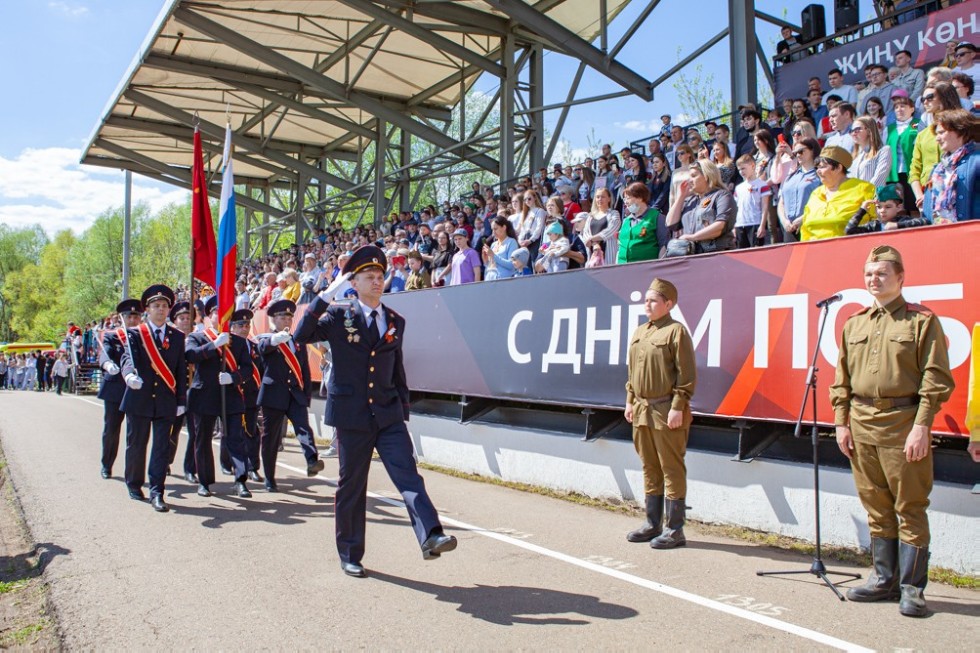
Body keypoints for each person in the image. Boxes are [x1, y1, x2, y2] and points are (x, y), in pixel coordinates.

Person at [294, 245, 457, 578]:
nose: (377, 281)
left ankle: (431, 534)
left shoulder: (395, 321)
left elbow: (396, 369)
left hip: (387, 414)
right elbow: (301, 334)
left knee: (408, 475)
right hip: (352, 416)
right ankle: (350, 553)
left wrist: (403, 409)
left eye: (381, 276)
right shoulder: (340, 315)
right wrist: (326, 295)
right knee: (352, 485)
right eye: (369, 277)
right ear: (353, 283)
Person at [830, 245, 955, 618]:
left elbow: (936, 378)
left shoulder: (921, 322)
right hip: (861, 423)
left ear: (901, 278)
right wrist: (840, 422)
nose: (874, 280)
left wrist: (922, 426)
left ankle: (912, 588)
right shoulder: (854, 324)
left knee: (910, 507)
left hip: (904, 424)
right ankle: (883, 579)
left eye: (882, 274)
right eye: (869, 274)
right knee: (876, 507)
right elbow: (842, 380)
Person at [624, 278, 696, 549]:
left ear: (669, 304)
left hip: (666, 409)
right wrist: (630, 401)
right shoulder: (641, 331)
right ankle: (652, 522)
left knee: (671, 467)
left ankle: (675, 529)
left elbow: (686, 375)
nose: (647, 304)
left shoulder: (676, 332)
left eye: (654, 300)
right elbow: (632, 373)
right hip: (641, 409)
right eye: (646, 299)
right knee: (649, 466)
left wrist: (678, 407)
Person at [120, 285, 188, 513]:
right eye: (156, 306)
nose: (161, 309)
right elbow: (128, 358)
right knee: (137, 445)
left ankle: (157, 491)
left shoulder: (177, 336)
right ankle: (134, 484)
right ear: (147, 309)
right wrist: (128, 375)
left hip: (165, 400)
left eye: (164, 306)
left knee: (161, 448)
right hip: (139, 398)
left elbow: (180, 370)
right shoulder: (135, 334)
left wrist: (181, 401)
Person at [185, 296, 255, 498]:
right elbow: (190, 356)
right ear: (209, 316)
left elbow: (248, 369)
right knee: (203, 440)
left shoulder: (239, 342)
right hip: (204, 394)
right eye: (217, 312)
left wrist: (233, 378)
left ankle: (240, 480)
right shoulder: (197, 336)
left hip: (231, 394)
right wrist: (214, 345)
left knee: (235, 438)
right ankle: (204, 482)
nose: (222, 316)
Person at [256, 299, 324, 491]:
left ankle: (312, 460)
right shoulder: (267, 339)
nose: (287, 320)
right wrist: (275, 340)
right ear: (273, 320)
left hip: (295, 394)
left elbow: (304, 371)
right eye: (282, 316)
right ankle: (270, 477)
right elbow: (262, 349)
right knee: (271, 438)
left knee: (304, 428)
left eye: (289, 317)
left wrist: (306, 396)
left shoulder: (298, 342)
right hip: (273, 395)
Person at [98, 299, 143, 479]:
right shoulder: (113, 336)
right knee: (111, 430)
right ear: (121, 318)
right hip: (115, 388)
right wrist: (107, 364)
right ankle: (107, 464)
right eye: (128, 316)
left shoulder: (143, 337)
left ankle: (131, 472)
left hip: (136, 390)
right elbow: (104, 353)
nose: (132, 320)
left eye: (136, 316)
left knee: (135, 433)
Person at [800, 146, 877, 241]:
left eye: (822, 167)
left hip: (850, 248)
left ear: (838, 168)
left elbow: (878, 222)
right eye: (817, 167)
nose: (818, 171)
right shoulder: (815, 194)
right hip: (813, 251)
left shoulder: (864, 188)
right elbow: (805, 230)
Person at [909, 81, 962, 216]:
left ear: (944, 97)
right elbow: (914, 170)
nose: (925, 102)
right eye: (923, 99)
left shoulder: (962, 127)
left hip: (957, 192)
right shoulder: (922, 135)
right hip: (927, 197)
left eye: (930, 97)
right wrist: (919, 196)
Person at [665, 159, 737, 253]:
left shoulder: (722, 195)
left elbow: (720, 226)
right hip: (692, 256)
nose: (689, 180)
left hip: (716, 254)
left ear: (707, 176)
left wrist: (693, 237)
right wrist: (680, 197)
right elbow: (670, 224)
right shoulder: (690, 201)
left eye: (693, 176)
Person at [229, 308, 266, 478]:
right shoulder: (227, 347)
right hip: (233, 393)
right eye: (240, 325)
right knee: (233, 433)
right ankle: (229, 462)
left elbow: (261, 370)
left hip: (251, 395)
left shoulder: (254, 347)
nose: (245, 328)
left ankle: (252, 467)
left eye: (247, 324)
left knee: (251, 431)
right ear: (232, 327)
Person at [166, 301, 199, 483]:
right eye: (182, 318)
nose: (186, 321)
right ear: (175, 321)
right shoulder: (170, 340)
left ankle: (190, 469)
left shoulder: (199, 338)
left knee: (195, 432)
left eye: (189, 318)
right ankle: (166, 461)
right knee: (172, 430)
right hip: (176, 392)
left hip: (195, 392)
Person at [926, 108, 978, 222]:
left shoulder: (977, 161)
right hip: (941, 235)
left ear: (960, 130)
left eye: (941, 132)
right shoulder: (938, 169)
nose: (937, 138)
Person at [885, 90, 923, 216]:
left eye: (903, 106)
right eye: (896, 107)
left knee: (913, 206)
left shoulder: (917, 124)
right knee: (897, 208)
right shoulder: (889, 129)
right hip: (894, 173)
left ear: (912, 109)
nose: (899, 109)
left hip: (911, 171)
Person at [778, 138, 822, 241]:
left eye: (801, 151)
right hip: (789, 228)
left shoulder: (820, 175)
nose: (798, 155)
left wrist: (803, 218)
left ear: (812, 150)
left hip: (811, 225)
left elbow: (824, 200)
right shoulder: (790, 177)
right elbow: (781, 202)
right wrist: (784, 221)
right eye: (795, 152)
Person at [845, 184, 930, 234]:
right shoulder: (874, 226)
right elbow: (849, 230)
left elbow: (925, 221)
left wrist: (898, 225)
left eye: (888, 207)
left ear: (898, 207)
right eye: (879, 207)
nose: (882, 210)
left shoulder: (903, 220)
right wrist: (862, 210)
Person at [617, 182, 661, 263]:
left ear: (640, 198)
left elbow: (664, 245)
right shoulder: (626, 221)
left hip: (646, 269)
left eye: (628, 198)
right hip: (623, 268)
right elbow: (620, 246)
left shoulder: (657, 217)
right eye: (624, 199)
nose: (626, 202)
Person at [733, 155, 771, 248]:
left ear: (753, 166)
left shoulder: (762, 185)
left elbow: (765, 207)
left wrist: (762, 225)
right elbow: (736, 208)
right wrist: (734, 226)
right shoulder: (738, 188)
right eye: (739, 170)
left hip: (755, 223)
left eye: (744, 168)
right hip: (740, 224)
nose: (742, 172)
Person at [582, 187, 622, 266]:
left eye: (603, 197)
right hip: (592, 253)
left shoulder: (614, 213)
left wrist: (592, 239)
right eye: (597, 197)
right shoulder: (590, 216)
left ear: (609, 199)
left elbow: (611, 230)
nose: (600, 199)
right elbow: (585, 234)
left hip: (608, 253)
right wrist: (595, 245)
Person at [850, 116, 892, 187]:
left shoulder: (884, 151)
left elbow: (879, 179)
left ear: (869, 131)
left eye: (857, 129)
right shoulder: (855, 156)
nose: (853, 133)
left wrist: (863, 195)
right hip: (855, 196)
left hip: (872, 196)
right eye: (851, 131)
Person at [482, 216, 519, 281]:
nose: (493, 232)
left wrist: (493, 255)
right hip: (489, 280)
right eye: (492, 229)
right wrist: (486, 261)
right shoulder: (493, 244)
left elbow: (512, 265)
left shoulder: (511, 242)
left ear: (504, 227)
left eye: (495, 229)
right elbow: (491, 266)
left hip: (503, 282)